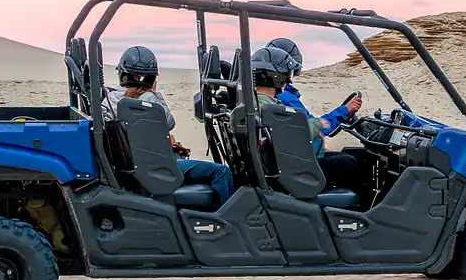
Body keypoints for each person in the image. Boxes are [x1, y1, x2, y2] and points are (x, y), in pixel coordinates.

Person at [104, 46, 235, 205]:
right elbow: (169, 123)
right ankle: (229, 224)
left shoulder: (110, 101)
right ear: (153, 78)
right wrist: (154, 93)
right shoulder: (151, 102)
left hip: (134, 166)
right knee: (222, 172)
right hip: (156, 167)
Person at [252, 45, 362, 193]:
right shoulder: (270, 108)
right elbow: (293, 135)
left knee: (343, 157)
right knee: (350, 162)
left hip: (281, 164)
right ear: (275, 77)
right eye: (286, 75)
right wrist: (318, 124)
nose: (288, 80)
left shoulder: (263, 103)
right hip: (289, 170)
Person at [265, 37, 363, 157]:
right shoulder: (284, 97)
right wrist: (345, 110)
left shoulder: (274, 94)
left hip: (289, 151)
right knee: (351, 161)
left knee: (343, 155)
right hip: (295, 158)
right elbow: (316, 127)